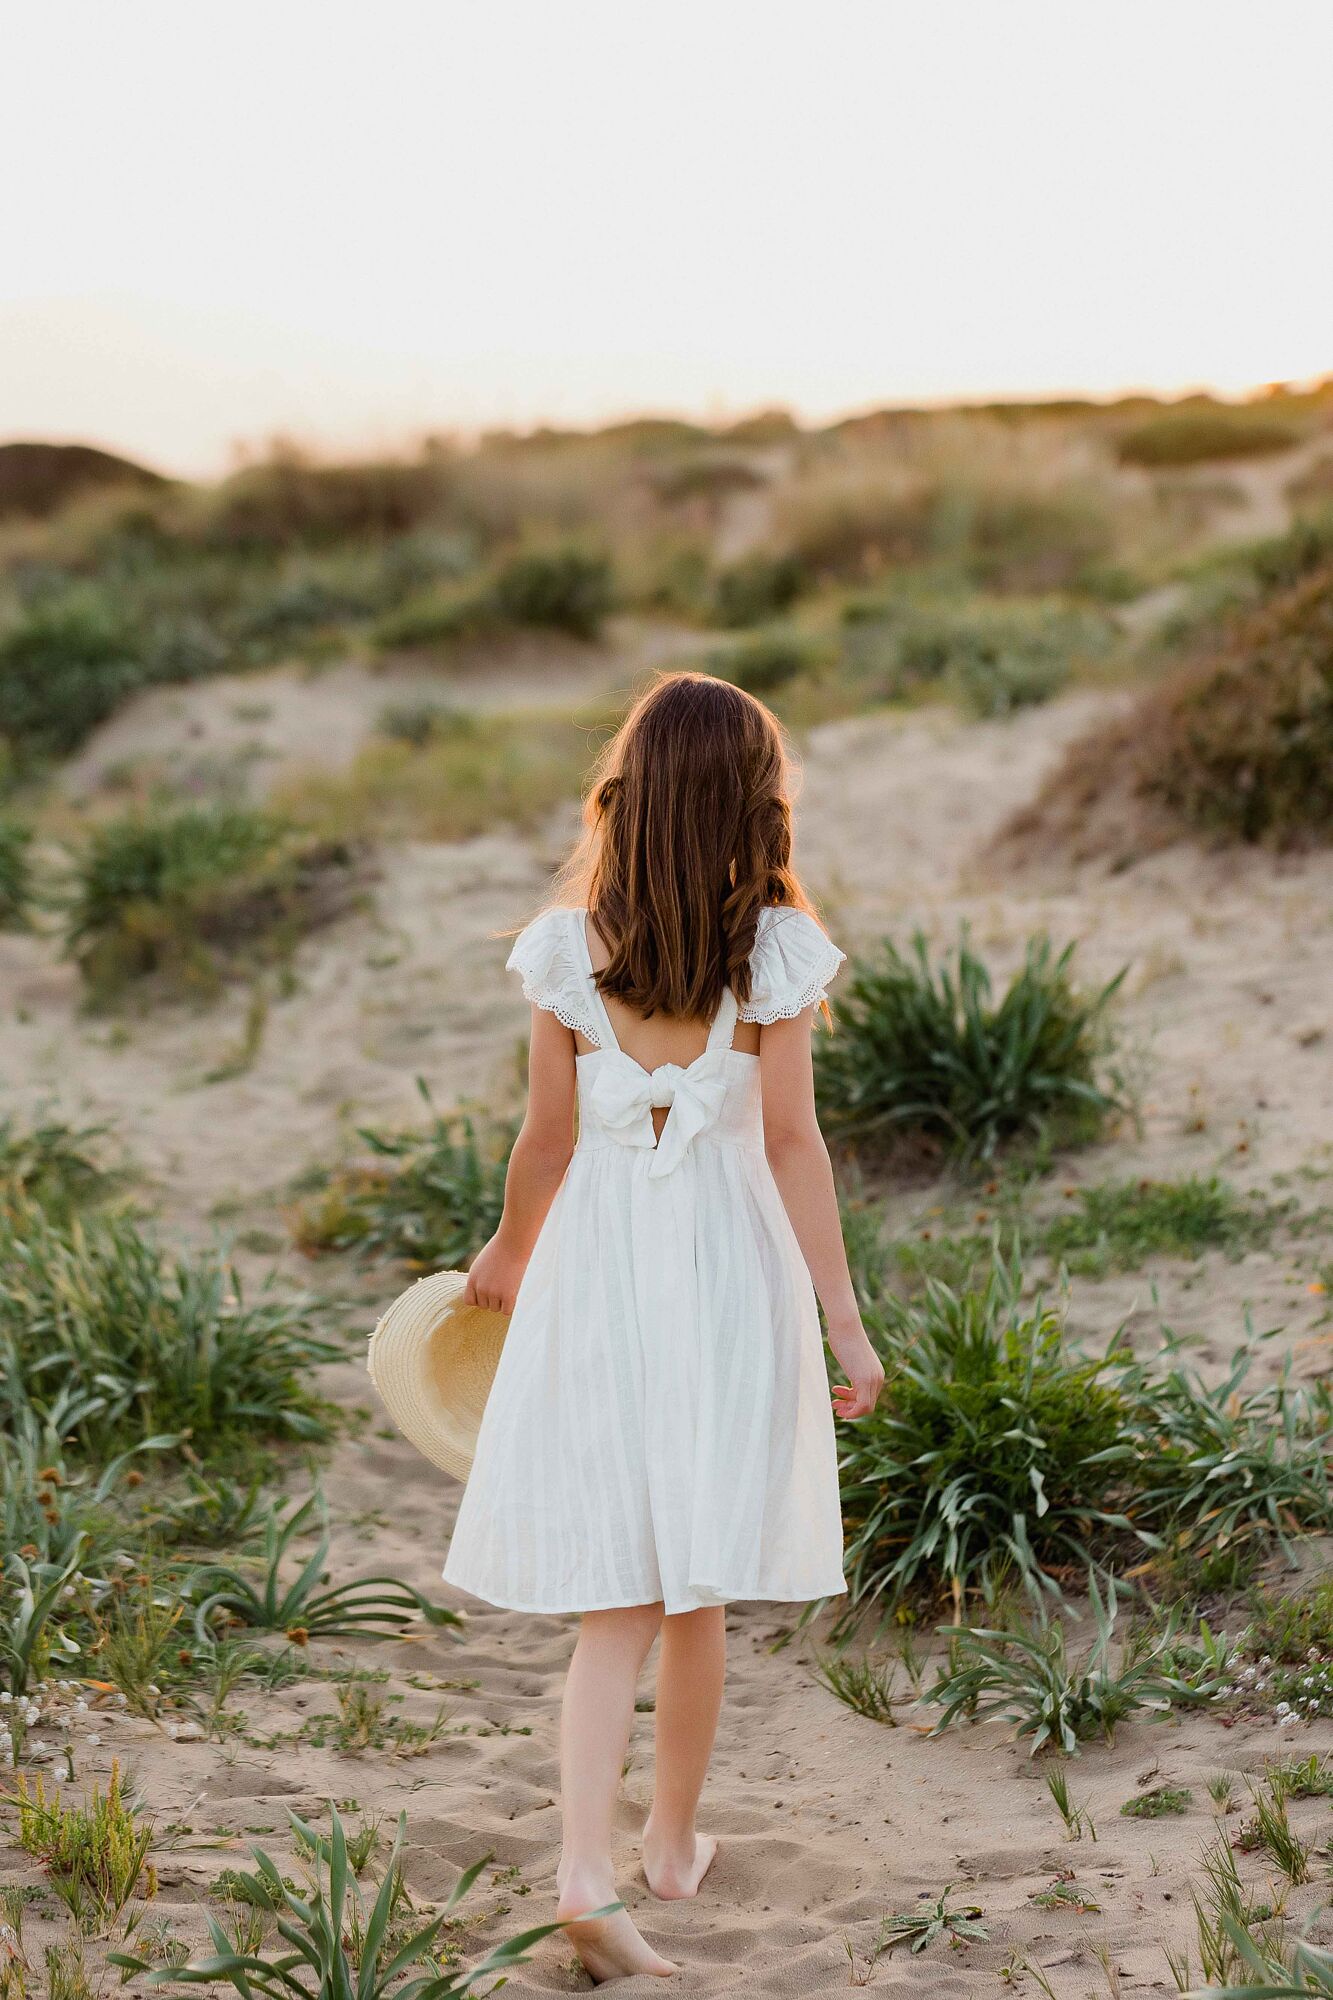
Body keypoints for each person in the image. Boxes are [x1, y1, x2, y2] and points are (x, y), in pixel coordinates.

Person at [445, 671, 884, 1983]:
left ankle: (587, 1860)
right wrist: (845, 1326)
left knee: (615, 1600)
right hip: (729, 1271)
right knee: (699, 1587)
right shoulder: (773, 954)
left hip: (597, 1267)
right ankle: (670, 1845)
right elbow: (795, 1143)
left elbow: (543, 1137)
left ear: (626, 798)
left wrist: (511, 1250)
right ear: (754, 801)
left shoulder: (565, 945)